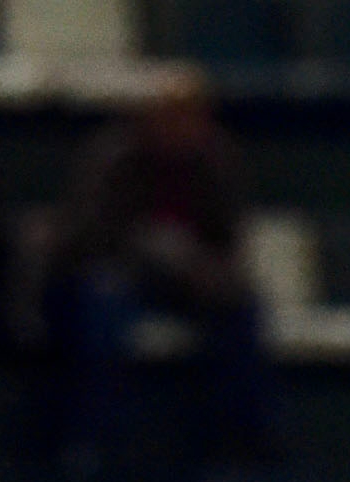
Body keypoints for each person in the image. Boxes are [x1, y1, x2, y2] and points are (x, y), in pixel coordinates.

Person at [54, 69, 269, 458]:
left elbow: (229, 235)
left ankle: (243, 439)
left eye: (189, 115)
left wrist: (201, 265)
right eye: (170, 114)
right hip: (125, 273)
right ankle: (92, 436)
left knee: (242, 305)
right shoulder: (115, 157)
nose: (180, 125)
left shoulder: (216, 160)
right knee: (102, 306)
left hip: (188, 280)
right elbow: (92, 234)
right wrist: (156, 249)